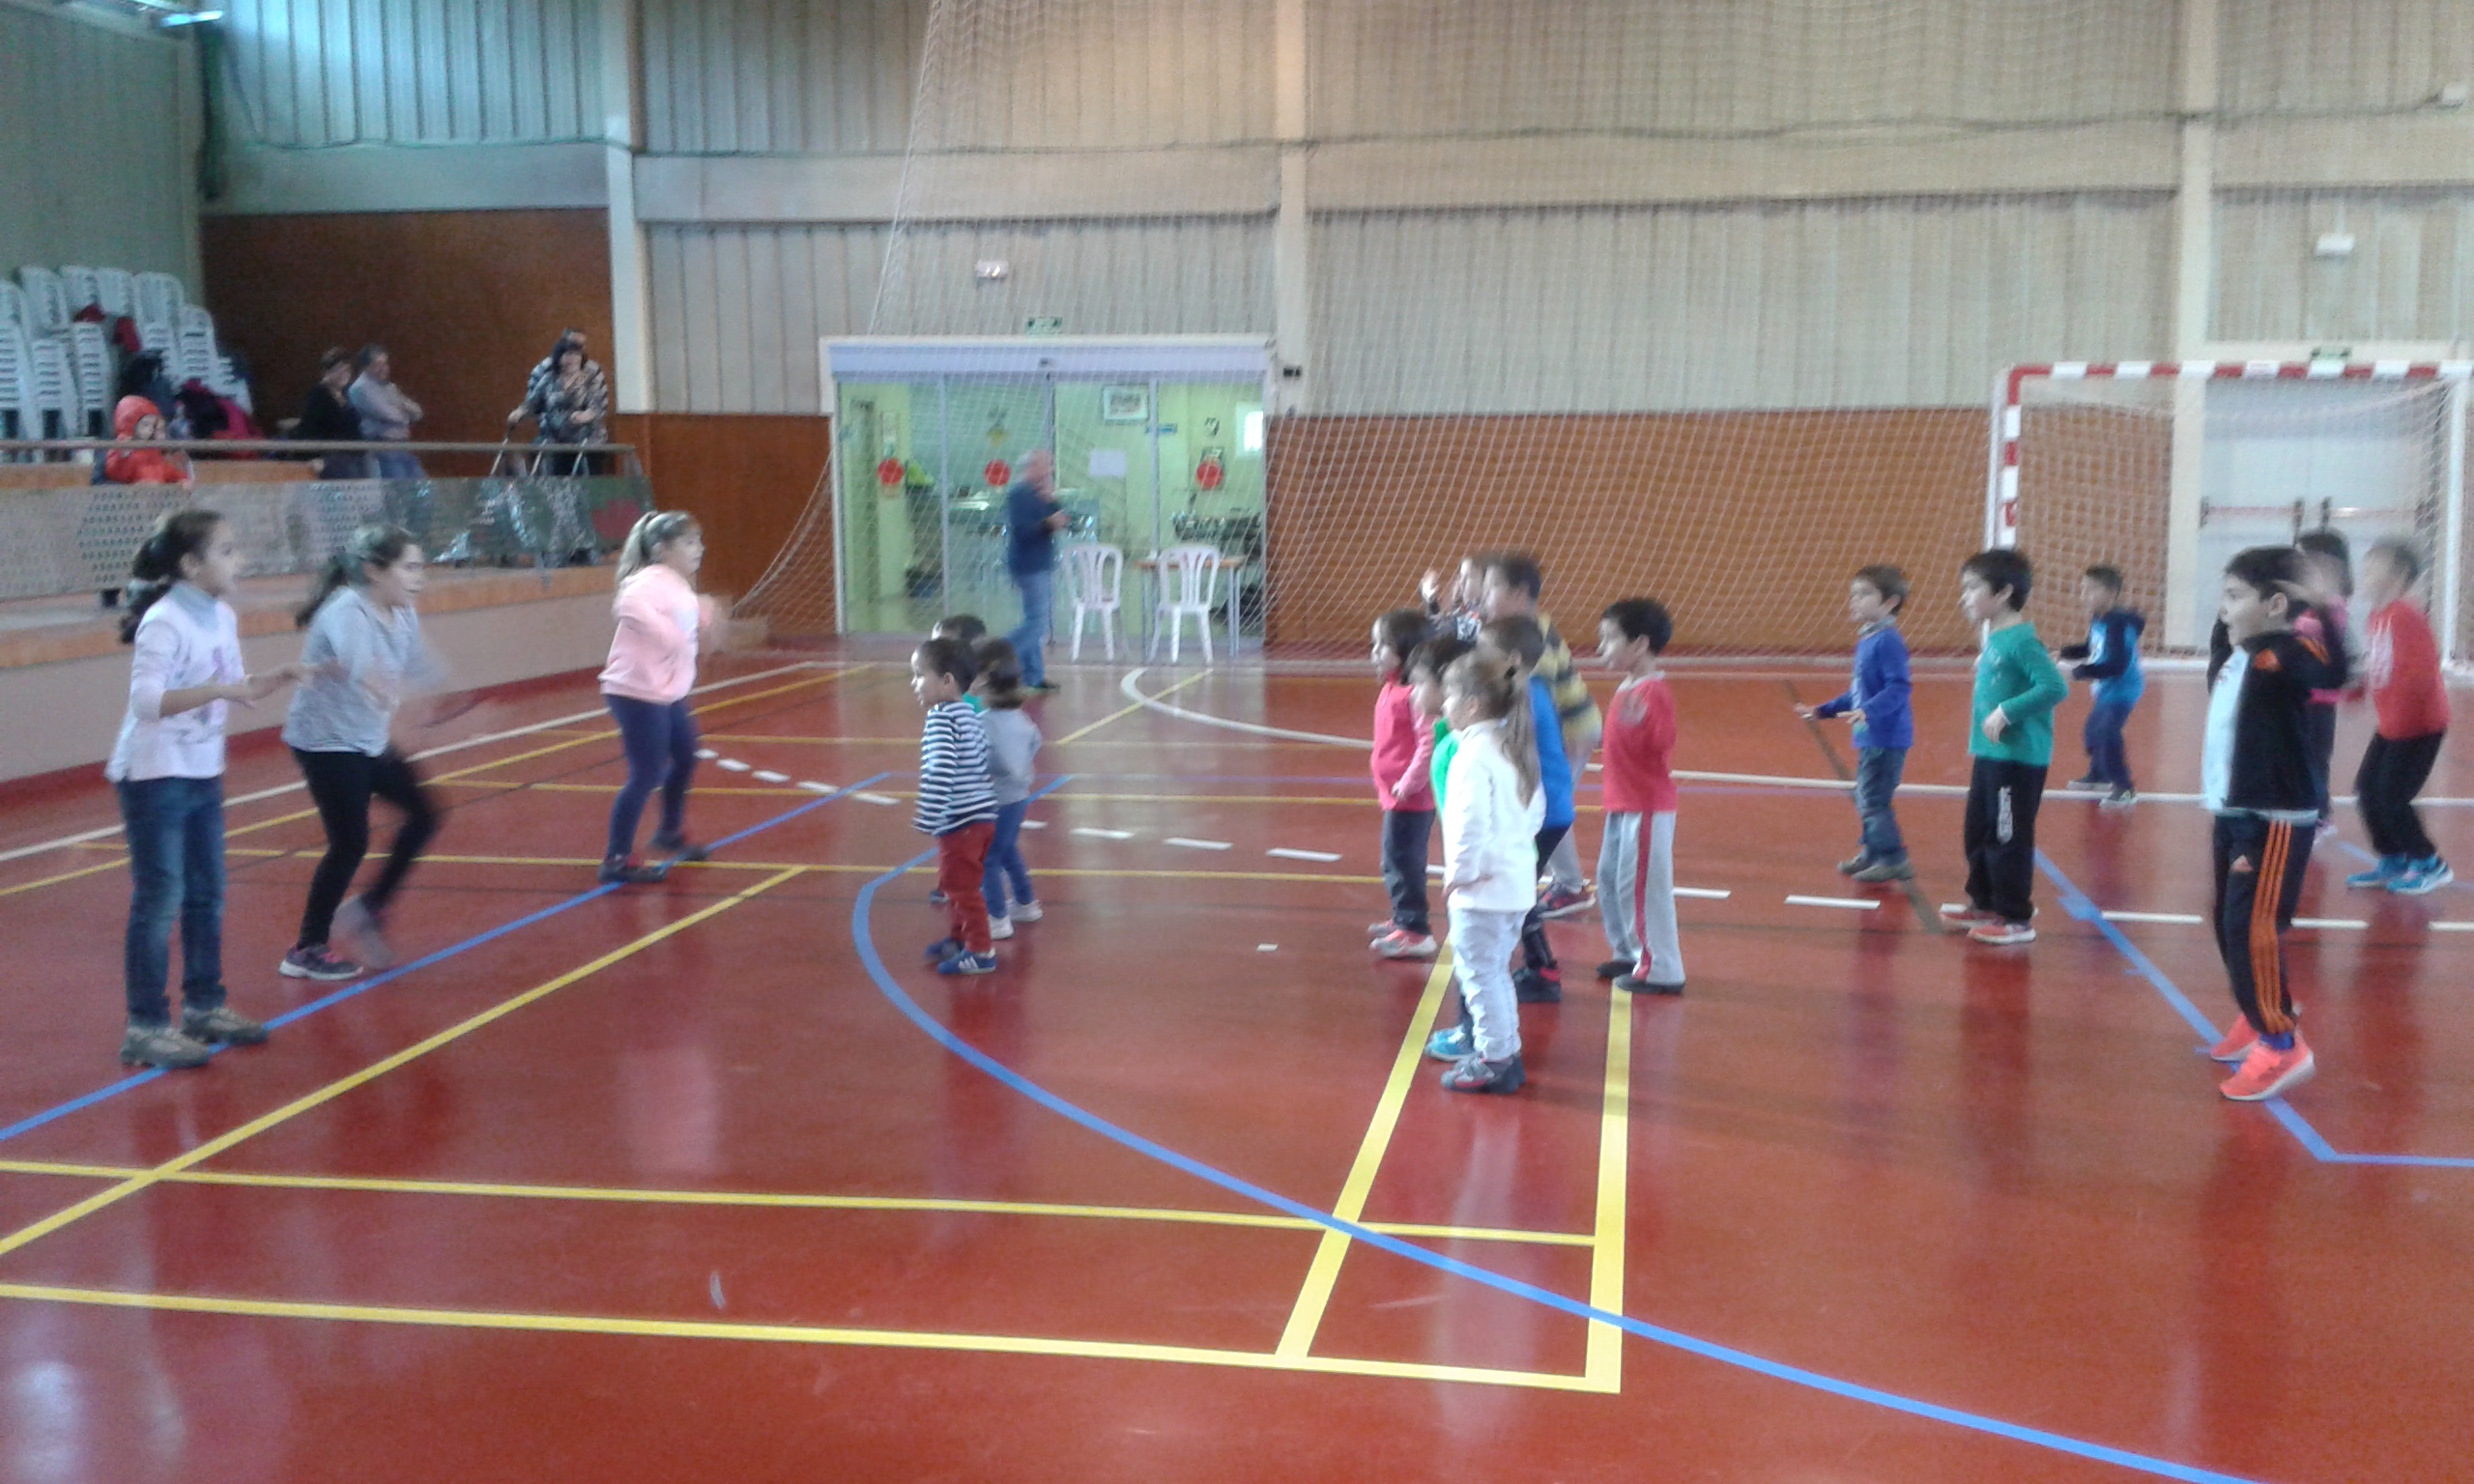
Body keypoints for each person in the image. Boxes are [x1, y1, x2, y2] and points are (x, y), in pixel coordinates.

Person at [106, 510, 305, 1070]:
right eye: (226, 551)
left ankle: (203, 1005)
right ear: (192, 565)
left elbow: (236, 686)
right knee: (160, 899)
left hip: (201, 770)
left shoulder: (220, 615)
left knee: (207, 893)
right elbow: (147, 702)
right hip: (155, 775)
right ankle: (146, 1026)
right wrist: (217, 689)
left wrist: (276, 679)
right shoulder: (164, 621)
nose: (238, 560)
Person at [2202, 545, 2347, 1101]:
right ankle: (2256, 1008)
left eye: (2235, 596)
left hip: (2273, 817)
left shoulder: (2286, 653)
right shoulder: (2240, 654)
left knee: (2252, 926)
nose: (2223, 607)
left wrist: (2323, 606)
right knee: (2227, 922)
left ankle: (2282, 1042)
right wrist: (2228, 625)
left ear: (2276, 605)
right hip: (2233, 809)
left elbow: (2334, 671)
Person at [280, 526, 448, 980]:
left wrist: (450, 705)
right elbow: (363, 670)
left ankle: (370, 908)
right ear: (374, 571)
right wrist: (399, 705)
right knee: (350, 842)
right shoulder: (346, 611)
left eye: (420, 567)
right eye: (409, 568)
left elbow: (421, 666)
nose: (419, 577)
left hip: (366, 738)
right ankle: (306, 947)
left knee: (425, 813)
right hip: (326, 742)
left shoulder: (402, 613)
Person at [1432, 647, 1546, 1095]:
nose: (1443, 705)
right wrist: (1513, 851)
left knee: (1479, 976)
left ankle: (1496, 1060)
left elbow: (1469, 823)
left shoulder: (1472, 755)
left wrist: (1460, 873)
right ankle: (1504, 1050)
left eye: (1449, 696)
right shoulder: (1510, 747)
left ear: (1472, 704)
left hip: (1482, 893)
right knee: (1495, 973)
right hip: (1514, 887)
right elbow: (1535, 812)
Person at [1942, 549, 2068, 946]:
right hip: (1990, 755)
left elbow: (2054, 687)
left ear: (2003, 593)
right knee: (1977, 830)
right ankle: (1984, 901)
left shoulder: (2021, 641)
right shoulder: (1998, 640)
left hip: (2016, 760)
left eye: (1972, 588)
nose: (1964, 597)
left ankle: (2015, 916)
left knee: (2007, 836)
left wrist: (2005, 712)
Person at [598, 511, 721, 885]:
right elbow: (627, 605)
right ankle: (616, 858)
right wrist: (671, 636)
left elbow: (685, 619)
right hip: (636, 691)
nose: (699, 549)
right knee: (646, 773)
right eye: (689, 542)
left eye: (699, 541)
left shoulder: (677, 584)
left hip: (666, 692)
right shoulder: (647, 581)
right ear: (661, 549)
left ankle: (669, 831)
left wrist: (704, 614)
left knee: (685, 755)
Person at [1480, 554, 1601, 918]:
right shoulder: (1520, 631)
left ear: (1519, 594)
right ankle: (1560, 878)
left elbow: (1534, 695)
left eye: (1491, 589)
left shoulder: (1535, 636)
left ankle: (1570, 886)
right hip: (1565, 730)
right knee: (1548, 805)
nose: (1484, 598)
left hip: (1573, 731)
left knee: (1551, 805)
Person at [2345, 536, 2453, 895]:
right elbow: (2379, 665)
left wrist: (2402, 710)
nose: (2365, 575)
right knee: (2367, 790)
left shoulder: (2406, 615)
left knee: (2392, 797)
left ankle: (2430, 863)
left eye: (2373, 568)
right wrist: (2357, 689)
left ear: (2399, 575)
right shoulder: (2377, 617)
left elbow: (2420, 670)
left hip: (2418, 726)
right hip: (2391, 725)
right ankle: (2393, 858)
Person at [1479, 614, 1575, 1003]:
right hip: (1549, 809)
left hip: (1543, 814)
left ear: (1513, 659)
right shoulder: (1530, 689)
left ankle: (1543, 971)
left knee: (1516, 890)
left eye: (1486, 652)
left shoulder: (1523, 698)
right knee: (1519, 888)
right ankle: (1538, 966)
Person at [1798, 565, 1914, 883]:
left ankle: (1893, 858)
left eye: (1864, 594)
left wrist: (1870, 711)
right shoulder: (1868, 639)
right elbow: (1859, 692)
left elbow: (1899, 686)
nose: (1855, 600)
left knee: (1874, 798)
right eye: (1854, 594)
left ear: (1890, 602)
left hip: (1886, 737)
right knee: (1866, 796)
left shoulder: (1888, 641)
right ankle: (1873, 851)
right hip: (1870, 736)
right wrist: (1823, 710)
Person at [1595, 598, 1684, 995]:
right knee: (1610, 880)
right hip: (1621, 803)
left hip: (1646, 806)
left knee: (1641, 889)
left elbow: (1663, 744)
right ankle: (1629, 951)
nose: (1602, 648)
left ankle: (1661, 967)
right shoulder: (1629, 685)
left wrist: (1642, 722)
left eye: (1610, 639)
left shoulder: (1653, 692)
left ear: (1640, 644)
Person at [912, 636, 1000, 976]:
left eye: (920, 675)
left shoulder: (941, 718)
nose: (915, 684)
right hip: (982, 817)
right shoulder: (970, 715)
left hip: (960, 821)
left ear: (947, 680)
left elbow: (940, 769)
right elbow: (981, 761)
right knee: (957, 884)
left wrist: (929, 813)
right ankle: (959, 938)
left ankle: (980, 950)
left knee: (962, 887)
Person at [1368, 608, 1439, 960]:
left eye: (1384, 645)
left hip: (1410, 798)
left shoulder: (1414, 695)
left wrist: (1410, 782)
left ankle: (1415, 929)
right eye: (1375, 644)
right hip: (1395, 795)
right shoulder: (1391, 687)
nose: (1375, 653)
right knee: (1394, 859)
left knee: (1402, 862)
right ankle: (1402, 917)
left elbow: (1428, 743)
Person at [971, 637, 1045, 940]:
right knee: (1007, 849)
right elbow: (1034, 744)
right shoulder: (1021, 719)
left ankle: (997, 917)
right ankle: (1026, 903)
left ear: (984, 679)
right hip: (1017, 799)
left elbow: (977, 761)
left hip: (994, 801)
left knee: (987, 858)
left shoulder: (983, 724)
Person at [2057, 564, 2146, 809]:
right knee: (2093, 733)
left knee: (2107, 734)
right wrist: (2063, 653)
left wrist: (2079, 672)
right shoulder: (2100, 619)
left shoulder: (2118, 625)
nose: (2084, 595)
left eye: (2091, 589)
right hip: (2107, 688)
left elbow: (2117, 664)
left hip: (2123, 689)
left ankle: (2124, 787)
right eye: (2083, 589)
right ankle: (2098, 775)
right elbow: (2091, 647)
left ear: (2111, 593)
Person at [2291, 529, 2357, 834]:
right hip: (2299, 694)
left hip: (2319, 698)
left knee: (2315, 758)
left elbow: (2320, 630)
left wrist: (2287, 623)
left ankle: (2320, 815)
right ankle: (2305, 807)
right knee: (2297, 754)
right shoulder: (2303, 600)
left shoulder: (2332, 603)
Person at [1003, 451, 1067, 693]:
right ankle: (999, 655)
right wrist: (1048, 523)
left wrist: (1052, 502)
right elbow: (1023, 531)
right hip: (1029, 565)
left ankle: (1033, 676)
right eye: (1045, 465)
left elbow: (1059, 519)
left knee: (1035, 619)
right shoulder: (1019, 494)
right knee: (1038, 623)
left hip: (1041, 563)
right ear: (1032, 467)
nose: (1049, 470)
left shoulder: (1039, 494)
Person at [511, 331, 610, 475]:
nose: (573, 359)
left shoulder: (590, 378)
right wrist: (520, 412)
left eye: (577, 355)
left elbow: (597, 405)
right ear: (558, 357)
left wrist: (586, 415)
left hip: (587, 441)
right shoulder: (549, 378)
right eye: (568, 355)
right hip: (555, 441)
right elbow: (533, 402)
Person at [348, 344, 425, 480]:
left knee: (421, 485)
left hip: (403, 446)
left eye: (385, 363)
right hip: (383, 449)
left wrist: (400, 410)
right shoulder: (360, 388)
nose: (384, 368)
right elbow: (392, 416)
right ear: (366, 366)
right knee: (398, 489)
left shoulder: (390, 387)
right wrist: (403, 411)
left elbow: (417, 411)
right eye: (378, 364)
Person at [294, 347, 368, 479]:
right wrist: (318, 458)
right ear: (326, 372)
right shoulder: (318, 395)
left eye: (346, 370)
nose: (343, 374)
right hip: (332, 459)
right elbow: (309, 429)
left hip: (352, 456)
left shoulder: (345, 395)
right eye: (338, 369)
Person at [102, 395, 191, 487]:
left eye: (152, 425)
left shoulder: (152, 450)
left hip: (156, 493)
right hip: (133, 494)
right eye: (145, 424)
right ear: (130, 423)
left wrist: (181, 479)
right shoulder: (120, 448)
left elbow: (166, 469)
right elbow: (116, 474)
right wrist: (123, 457)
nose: (149, 430)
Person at [1417, 556, 1487, 642]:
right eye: (1460, 577)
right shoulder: (1463, 610)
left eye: (1469, 577)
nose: (1462, 582)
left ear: (1484, 582)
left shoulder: (1481, 613)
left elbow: (1444, 632)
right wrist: (1431, 602)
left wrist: (1430, 603)